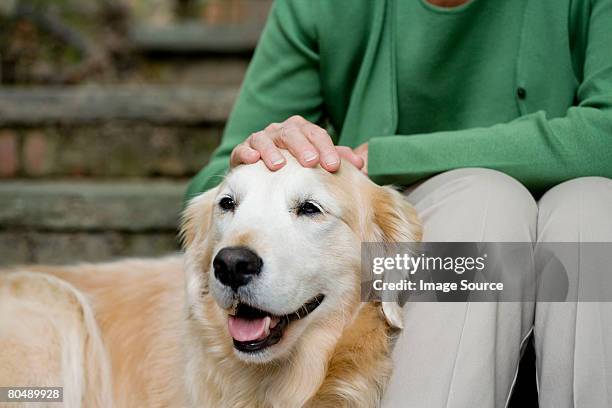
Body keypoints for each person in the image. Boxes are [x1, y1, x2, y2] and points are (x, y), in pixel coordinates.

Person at [185, 0, 612, 406]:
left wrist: (384, 157)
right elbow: (211, 186)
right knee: (486, 210)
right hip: (425, 260)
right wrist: (256, 154)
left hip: (577, 262)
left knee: (594, 208)